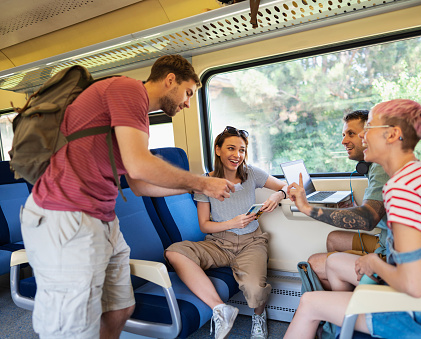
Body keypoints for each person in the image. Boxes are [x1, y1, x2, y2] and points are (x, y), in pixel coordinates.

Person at [20, 55, 235, 339]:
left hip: (103, 222)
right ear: (170, 79)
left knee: (120, 309)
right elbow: (139, 164)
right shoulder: (128, 90)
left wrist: (196, 188)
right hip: (64, 216)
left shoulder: (135, 118)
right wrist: (203, 182)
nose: (187, 103)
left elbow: (140, 185)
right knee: (72, 326)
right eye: (187, 93)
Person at [284, 99, 421, 338]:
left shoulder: (402, 189)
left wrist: (374, 263)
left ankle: (342, 320)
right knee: (333, 262)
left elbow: (413, 285)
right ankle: (343, 326)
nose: (363, 138)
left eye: (369, 128)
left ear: (393, 135)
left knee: (309, 303)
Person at [165, 126, 288, 339]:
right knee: (174, 252)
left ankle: (259, 317)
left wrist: (278, 196)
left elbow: (284, 185)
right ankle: (221, 309)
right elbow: (204, 225)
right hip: (218, 243)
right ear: (218, 149)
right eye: (231, 148)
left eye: (242, 150)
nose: (237, 155)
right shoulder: (206, 182)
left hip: (252, 242)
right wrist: (232, 223)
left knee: (256, 291)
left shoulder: (252, 174)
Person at [299, 110, 390, 290]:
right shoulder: (374, 167)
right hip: (385, 239)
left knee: (313, 264)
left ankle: (338, 308)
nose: (343, 141)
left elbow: (367, 220)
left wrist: (307, 208)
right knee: (334, 239)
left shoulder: (381, 167)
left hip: (391, 253)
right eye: (343, 135)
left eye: (351, 134)